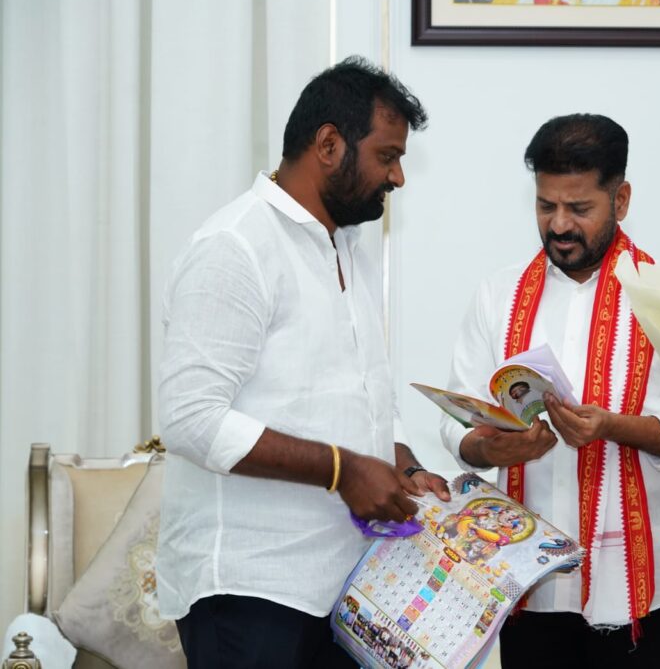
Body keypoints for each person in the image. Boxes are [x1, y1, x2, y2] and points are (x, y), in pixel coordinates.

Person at [156, 57, 450, 668]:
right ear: (329, 144)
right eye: (388, 156)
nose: (398, 177)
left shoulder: (349, 245)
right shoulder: (235, 247)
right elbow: (189, 420)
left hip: (345, 586)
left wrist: (403, 465)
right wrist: (343, 470)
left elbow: (363, 392)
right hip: (251, 591)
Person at [441, 113, 660, 668]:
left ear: (621, 200)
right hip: (528, 593)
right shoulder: (498, 295)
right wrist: (492, 447)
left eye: (579, 208)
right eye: (546, 206)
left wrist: (613, 427)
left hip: (637, 595)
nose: (559, 224)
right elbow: (456, 420)